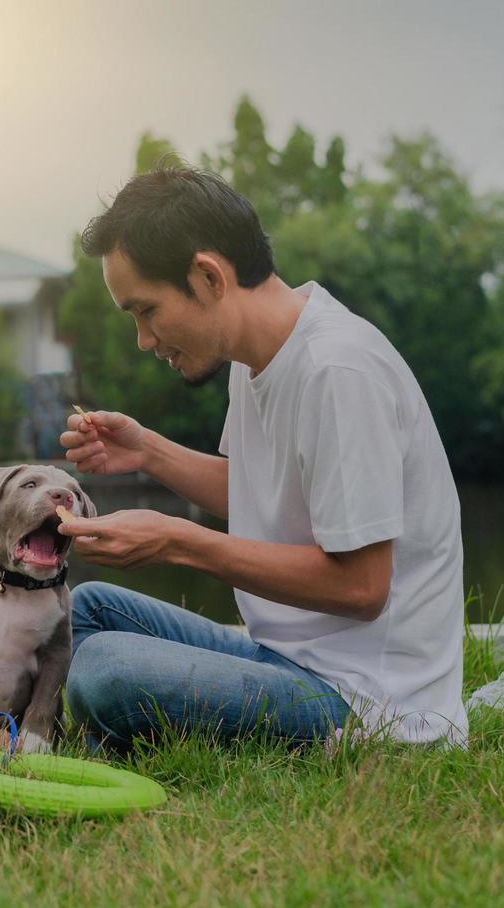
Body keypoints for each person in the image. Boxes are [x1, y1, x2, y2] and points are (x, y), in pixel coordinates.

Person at [55, 164, 467, 750]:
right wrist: (147, 449)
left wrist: (178, 542)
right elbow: (261, 492)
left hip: (368, 703)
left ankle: (113, 737)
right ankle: (95, 736)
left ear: (208, 276)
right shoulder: (256, 360)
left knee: (106, 670)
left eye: (146, 311)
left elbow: (362, 588)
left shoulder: (337, 371)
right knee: (86, 612)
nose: (145, 341)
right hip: (285, 660)